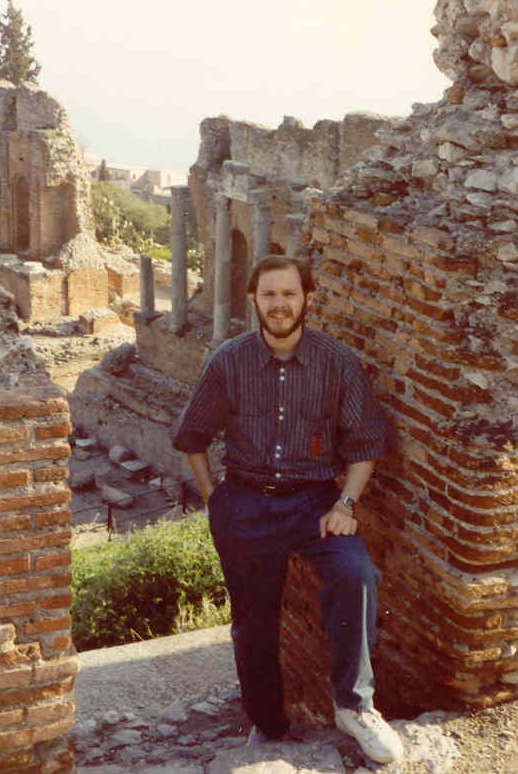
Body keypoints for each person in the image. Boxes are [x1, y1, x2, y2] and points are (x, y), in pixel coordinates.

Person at [172, 254, 403, 765]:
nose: (280, 304)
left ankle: (354, 705)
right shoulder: (228, 360)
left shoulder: (336, 361)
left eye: (289, 294)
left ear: (307, 300)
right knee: (253, 621)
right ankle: (268, 724)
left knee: (356, 574)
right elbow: (191, 436)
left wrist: (346, 503)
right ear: (254, 299)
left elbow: (367, 442)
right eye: (270, 294)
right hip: (246, 503)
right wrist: (216, 500)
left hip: (316, 501)